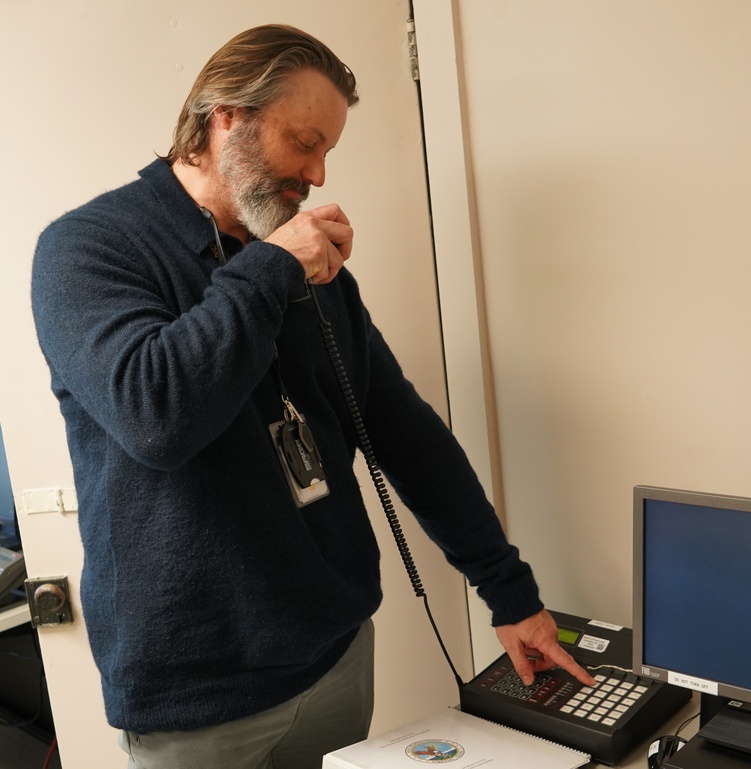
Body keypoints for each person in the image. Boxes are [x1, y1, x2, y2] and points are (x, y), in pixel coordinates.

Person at [31, 23, 594, 769]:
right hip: (195, 698)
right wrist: (269, 269)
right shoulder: (90, 249)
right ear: (226, 117)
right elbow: (156, 415)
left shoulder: (308, 265)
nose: (319, 175)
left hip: (334, 657)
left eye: (329, 151)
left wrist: (509, 591)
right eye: (305, 142)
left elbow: (405, 435)